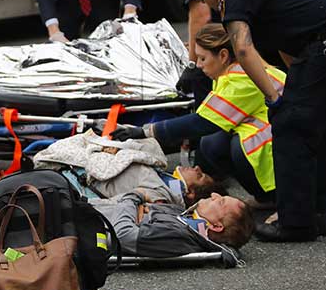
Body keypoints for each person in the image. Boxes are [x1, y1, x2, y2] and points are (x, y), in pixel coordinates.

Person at [184, 0, 326, 242]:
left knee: (290, 126)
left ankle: (295, 223)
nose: (207, 3)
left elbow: (242, 48)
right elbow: (288, 42)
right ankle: (320, 213)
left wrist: (275, 99)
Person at [105, 23, 285, 206]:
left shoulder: (242, 78)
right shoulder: (231, 72)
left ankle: (278, 197)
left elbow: (203, 122)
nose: (198, 65)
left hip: (288, 132)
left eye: (202, 58)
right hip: (274, 124)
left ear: (223, 56)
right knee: (211, 143)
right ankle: (265, 196)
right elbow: (209, 117)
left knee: (240, 148)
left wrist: (146, 131)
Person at [0, 188, 253, 266]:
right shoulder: (183, 219)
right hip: (75, 219)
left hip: (72, 237)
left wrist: (131, 202)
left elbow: (126, 237)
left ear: (214, 228)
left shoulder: (181, 236)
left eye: (219, 203)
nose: (213, 197)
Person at [0, 163, 226, 222]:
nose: (193, 166)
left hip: (72, 195)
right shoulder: (161, 176)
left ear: (193, 190)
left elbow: (115, 204)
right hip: (71, 181)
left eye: (201, 173)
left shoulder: (161, 195)